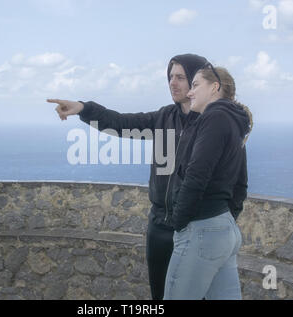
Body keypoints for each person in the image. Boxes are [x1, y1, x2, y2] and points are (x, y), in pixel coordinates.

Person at [47, 54, 208, 300]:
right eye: (170, 77)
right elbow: (120, 122)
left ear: (197, 80)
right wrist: (83, 108)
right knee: (160, 296)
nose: (172, 83)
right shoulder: (164, 118)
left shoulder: (211, 124)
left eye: (180, 77)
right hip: (158, 228)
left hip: (191, 229)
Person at [163, 63, 253, 300]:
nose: (190, 92)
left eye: (195, 85)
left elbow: (196, 175)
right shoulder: (233, 122)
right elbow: (241, 184)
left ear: (215, 87)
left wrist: (179, 222)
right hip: (223, 232)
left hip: (201, 229)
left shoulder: (215, 118)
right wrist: (224, 220)